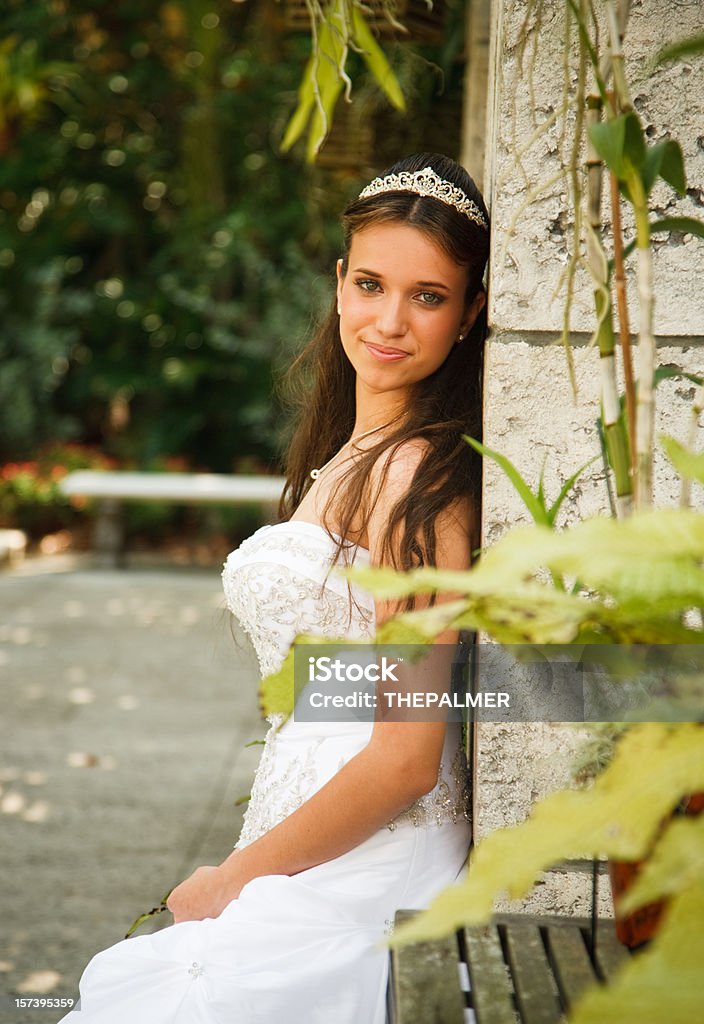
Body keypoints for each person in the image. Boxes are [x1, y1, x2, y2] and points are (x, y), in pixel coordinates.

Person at [57, 151, 490, 1024]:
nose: (390, 321)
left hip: (369, 859)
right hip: (306, 840)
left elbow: (405, 760)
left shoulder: (418, 480)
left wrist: (231, 881)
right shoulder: (349, 455)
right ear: (338, 284)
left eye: (429, 295)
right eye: (370, 284)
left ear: (472, 310)